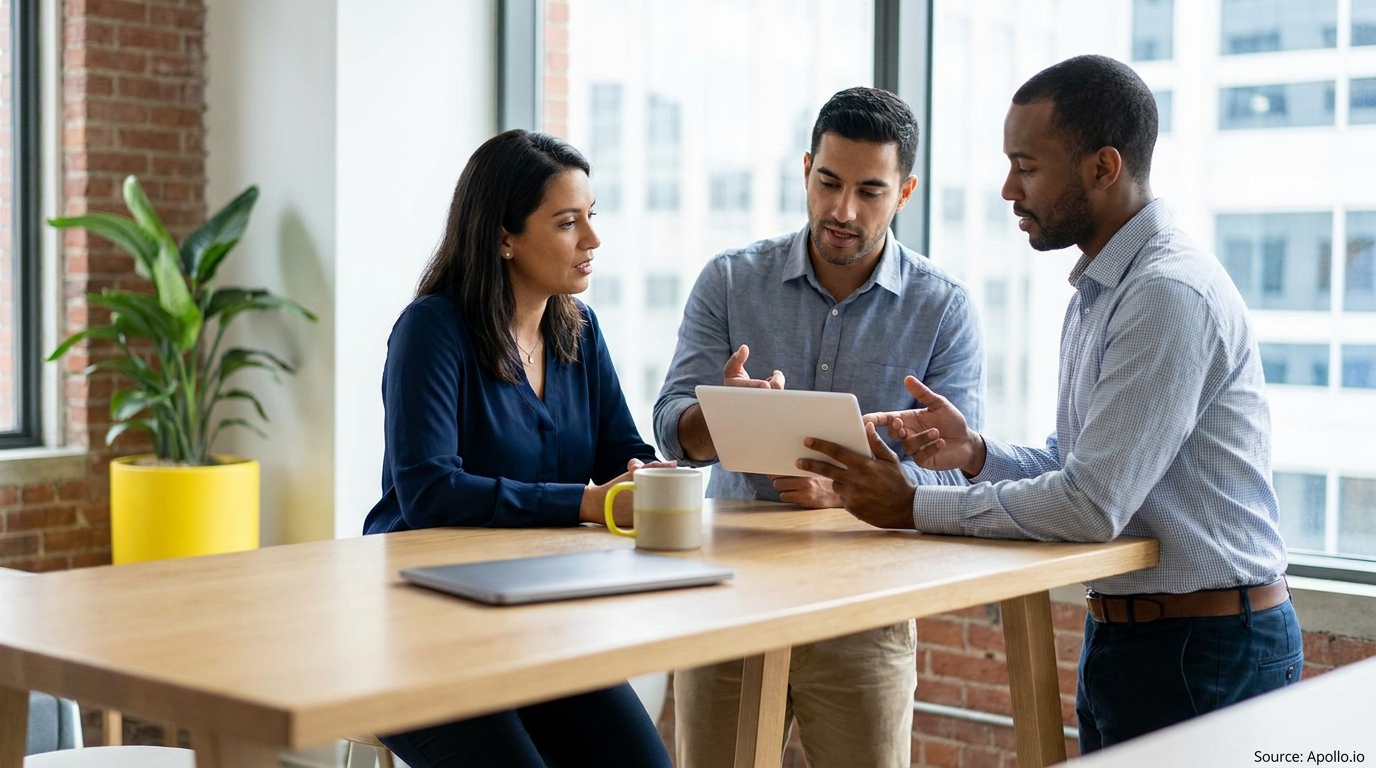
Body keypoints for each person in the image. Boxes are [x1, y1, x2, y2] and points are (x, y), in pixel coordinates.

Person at [797, 55, 1303, 753]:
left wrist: (911, 505)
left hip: (1204, 648)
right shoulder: (1104, 289)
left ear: (1102, 168)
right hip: (1140, 638)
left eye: (1026, 166)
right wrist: (974, 454)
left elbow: (1091, 506)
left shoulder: (1165, 293)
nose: (1008, 188)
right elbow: (1076, 463)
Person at [653, 87, 984, 768]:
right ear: (806, 169)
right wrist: (720, 417)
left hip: (866, 614)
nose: (842, 210)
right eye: (828, 182)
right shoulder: (729, 281)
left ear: (905, 192)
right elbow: (669, 430)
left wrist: (852, 494)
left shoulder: (943, 309)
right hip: (728, 600)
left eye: (869, 190)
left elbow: (958, 470)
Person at [362, 129, 674, 768]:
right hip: (423, 628)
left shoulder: (578, 330)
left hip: (539, 619)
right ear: (504, 237)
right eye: (567, 223)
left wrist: (648, 475)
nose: (591, 240)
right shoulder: (433, 329)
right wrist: (591, 505)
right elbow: (429, 493)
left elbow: (622, 451)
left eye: (592, 217)